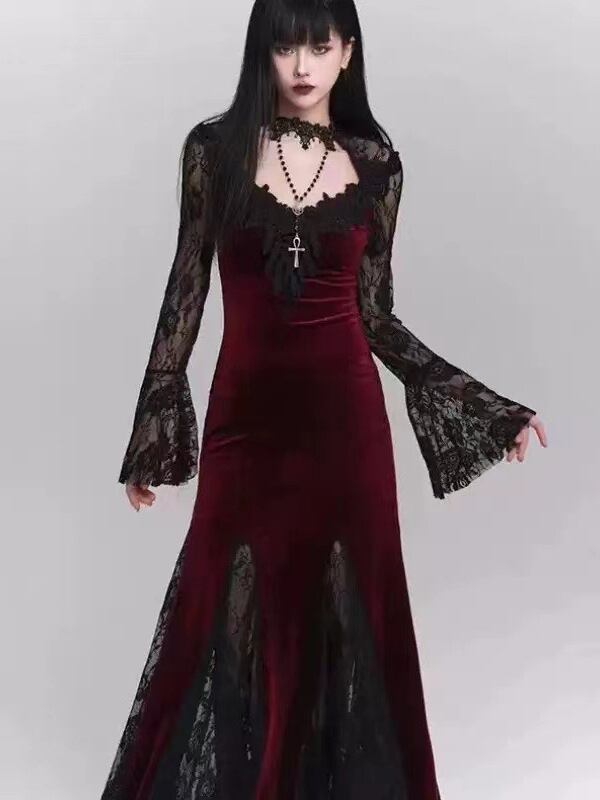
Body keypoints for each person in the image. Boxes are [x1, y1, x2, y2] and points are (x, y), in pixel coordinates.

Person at [102, 1, 547, 798]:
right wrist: (153, 429)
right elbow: (185, 287)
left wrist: (486, 408)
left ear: (348, 52)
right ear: (262, 53)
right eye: (286, 47)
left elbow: (376, 316)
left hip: (348, 435)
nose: (303, 66)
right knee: (222, 611)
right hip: (246, 428)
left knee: (347, 618)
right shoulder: (213, 151)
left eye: (320, 46)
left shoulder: (377, 166)